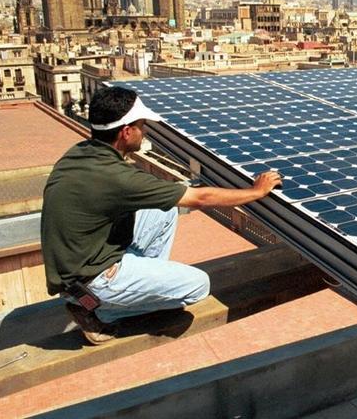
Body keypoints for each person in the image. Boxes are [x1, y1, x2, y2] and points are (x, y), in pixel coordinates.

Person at [41, 86, 282, 345]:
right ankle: (100, 309)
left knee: (163, 210)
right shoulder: (117, 177)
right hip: (90, 280)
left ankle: (141, 290)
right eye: (142, 125)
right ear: (126, 132)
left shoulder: (80, 152)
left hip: (77, 261)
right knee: (198, 285)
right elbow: (199, 198)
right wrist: (256, 191)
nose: (144, 131)